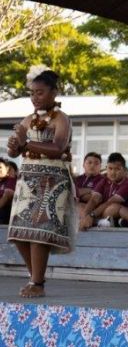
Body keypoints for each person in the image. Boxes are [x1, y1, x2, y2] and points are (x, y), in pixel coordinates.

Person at [6, 66, 75, 298]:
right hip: (28, 180)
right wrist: (15, 146)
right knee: (18, 234)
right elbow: (16, 152)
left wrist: (25, 144)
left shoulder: (61, 119)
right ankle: (34, 278)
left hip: (52, 181)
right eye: (32, 93)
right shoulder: (29, 119)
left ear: (54, 93)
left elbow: (58, 148)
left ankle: (38, 283)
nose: (35, 97)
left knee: (38, 234)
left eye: (40, 92)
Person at [79, 153, 128, 229]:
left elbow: (110, 202)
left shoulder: (127, 184)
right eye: (110, 168)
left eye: (117, 169)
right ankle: (97, 221)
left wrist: (91, 215)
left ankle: (96, 221)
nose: (113, 172)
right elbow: (94, 199)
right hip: (104, 212)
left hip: (120, 212)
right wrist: (85, 216)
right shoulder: (104, 181)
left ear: (125, 170)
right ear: (106, 168)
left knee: (113, 207)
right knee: (80, 206)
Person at [74, 151, 104, 217]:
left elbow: (95, 198)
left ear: (100, 167)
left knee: (80, 207)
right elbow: (73, 193)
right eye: (89, 162)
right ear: (83, 165)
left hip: (95, 209)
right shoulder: (77, 179)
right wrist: (89, 190)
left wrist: (79, 194)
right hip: (76, 207)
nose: (92, 165)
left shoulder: (103, 180)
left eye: (96, 163)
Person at [0, 160, 17, 225]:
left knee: (8, 192)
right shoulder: (2, 181)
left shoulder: (15, 181)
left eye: (9, 169)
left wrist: (12, 176)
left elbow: (10, 193)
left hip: (8, 208)